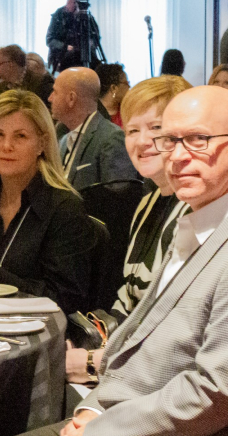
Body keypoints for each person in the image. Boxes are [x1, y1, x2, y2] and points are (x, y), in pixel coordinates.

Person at [27, 86, 228, 436]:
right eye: (171, 140)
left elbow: (214, 391)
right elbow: (135, 344)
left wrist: (103, 427)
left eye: (198, 139)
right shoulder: (191, 222)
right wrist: (92, 409)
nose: (177, 156)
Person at [64, 75, 192, 386]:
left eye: (156, 128)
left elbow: (173, 329)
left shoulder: (195, 212)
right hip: (125, 366)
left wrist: (94, 363)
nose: (142, 140)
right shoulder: (147, 203)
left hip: (156, 382)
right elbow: (127, 302)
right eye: (133, 129)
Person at [0, 90, 95, 315]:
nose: (7, 146)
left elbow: (65, 300)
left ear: (41, 144)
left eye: (20, 136)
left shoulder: (64, 209)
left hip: (41, 338)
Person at [49, 67, 137, 191]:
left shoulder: (111, 138)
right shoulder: (63, 137)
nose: (50, 98)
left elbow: (118, 200)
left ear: (71, 99)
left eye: (55, 92)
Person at [46, 0, 101, 72]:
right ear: (66, 5)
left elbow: (96, 38)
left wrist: (87, 46)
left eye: (76, 4)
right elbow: (50, 40)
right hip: (62, 58)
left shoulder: (86, 17)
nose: (74, 6)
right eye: (72, 3)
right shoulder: (58, 17)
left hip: (85, 57)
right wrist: (65, 47)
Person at [95, 63, 130, 128]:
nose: (129, 87)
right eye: (127, 83)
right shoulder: (93, 115)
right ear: (113, 88)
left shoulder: (129, 110)